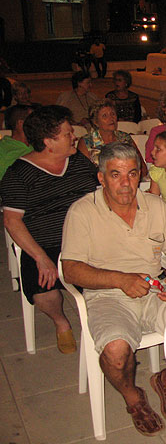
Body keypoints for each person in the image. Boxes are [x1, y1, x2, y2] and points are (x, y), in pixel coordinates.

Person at [61, 141, 166, 436]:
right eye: (116, 174)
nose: (125, 183)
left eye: (132, 174)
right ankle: (132, 396)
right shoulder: (82, 212)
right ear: (101, 178)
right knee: (116, 353)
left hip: (155, 288)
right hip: (108, 295)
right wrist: (120, 279)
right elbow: (71, 270)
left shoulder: (155, 206)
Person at [1, 105, 99, 354]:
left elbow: (101, 190)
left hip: (87, 238)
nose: (74, 136)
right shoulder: (18, 175)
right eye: (68, 133)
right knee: (44, 292)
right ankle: (60, 321)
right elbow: (12, 221)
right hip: (45, 244)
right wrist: (41, 258)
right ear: (49, 142)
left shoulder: (78, 162)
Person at [78, 99, 147, 178]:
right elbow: (83, 175)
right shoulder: (86, 142)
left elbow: (141, 167)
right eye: (105, 116)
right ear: (95, 122)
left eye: (113, 114)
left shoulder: (125, 138)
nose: (111, 118)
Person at [0, 104, 33, 181]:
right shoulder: (3, 150)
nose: (38, 123)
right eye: (33, 120)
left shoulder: (39, 144)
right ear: (20, 123)